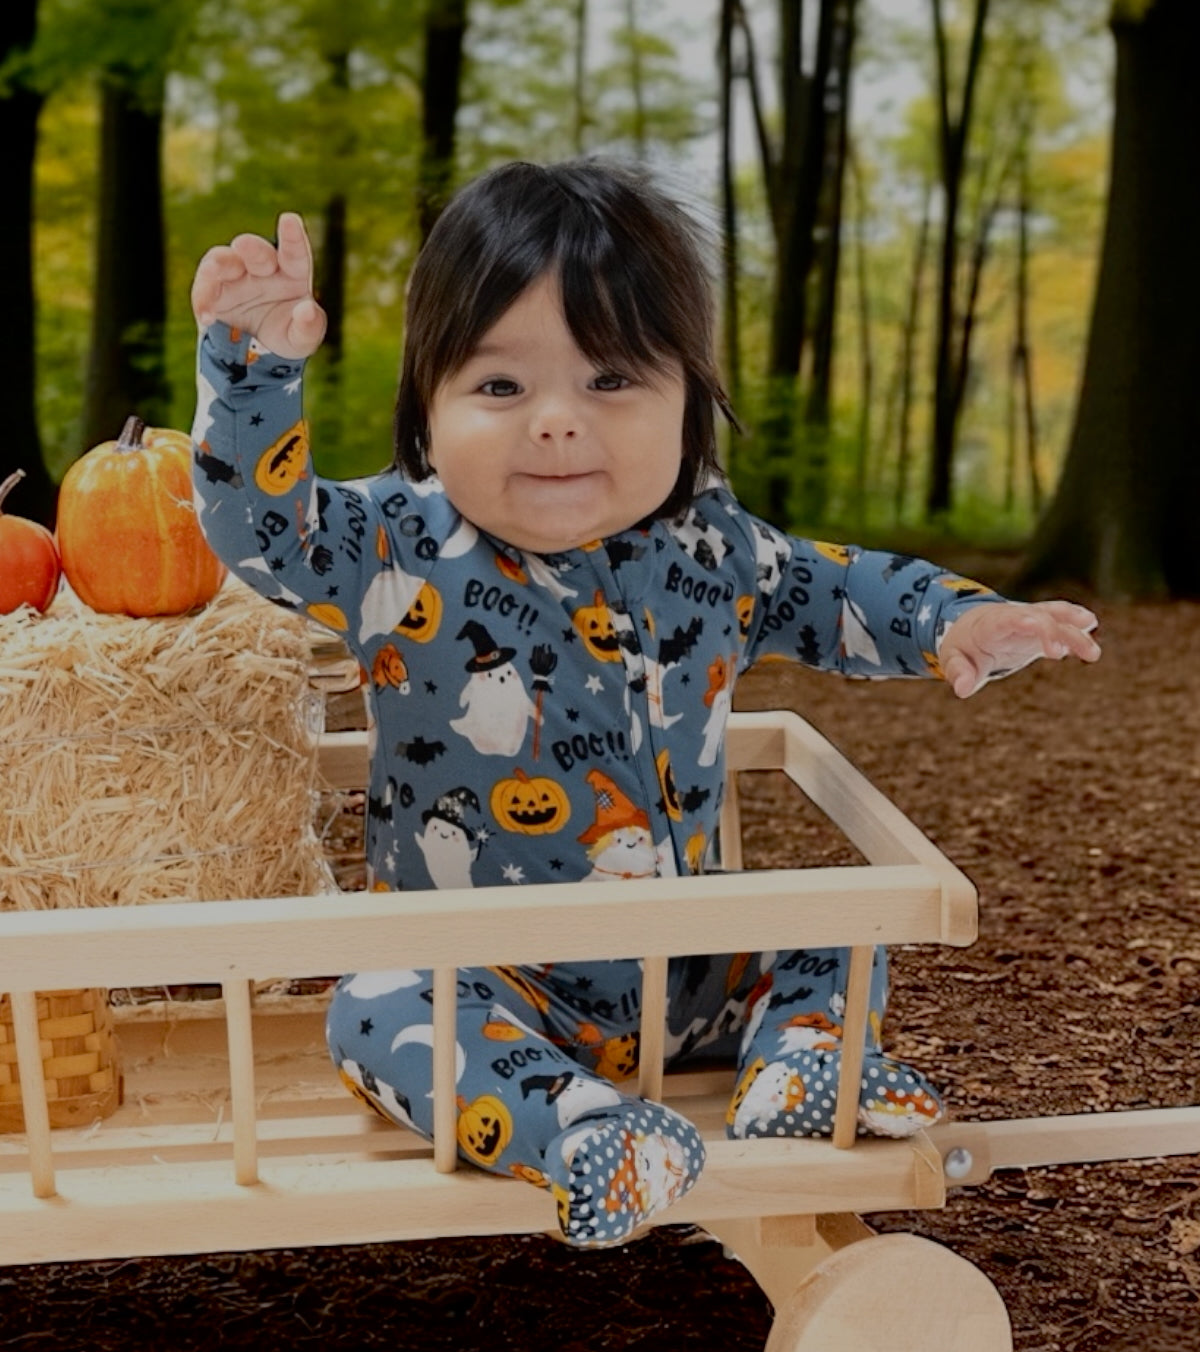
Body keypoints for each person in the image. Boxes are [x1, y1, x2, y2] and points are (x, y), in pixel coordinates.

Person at [191, 160, 1099, 1248]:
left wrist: (959, 618)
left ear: (690, 395)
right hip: (494, 985)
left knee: (837, 928)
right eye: (501, 387)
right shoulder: (394, 547)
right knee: (376, 1009)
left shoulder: (713, 549)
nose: (559, 424)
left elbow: (844, 588)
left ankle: (803, 1060)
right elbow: (261, 530)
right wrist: (251, 372)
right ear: (426, 411)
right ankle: (582, 1131)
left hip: (691, 972)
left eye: (611, 381)